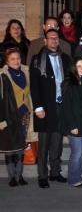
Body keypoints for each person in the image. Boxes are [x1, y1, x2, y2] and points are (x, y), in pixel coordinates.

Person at [29, 29, 71, 189]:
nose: (54, 40)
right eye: (50, 38)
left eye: (56, 38)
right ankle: (42, 175)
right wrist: (38, 107)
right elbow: (34, 86)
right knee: (44, 143)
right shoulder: (37, 59)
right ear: (45, 40)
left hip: (60, 106)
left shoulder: (66, 58)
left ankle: (55, 172)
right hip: (45, 107)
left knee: (57, 142)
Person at [0, 48, 36, 187]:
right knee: (10, 147)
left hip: (25, 115)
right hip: (9, 116)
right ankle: (11, 177)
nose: (16, 61)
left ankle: (19, 175)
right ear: (7, 61)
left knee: (21, 147)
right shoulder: (2, 75)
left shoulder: (26, 72)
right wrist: (1, 120)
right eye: (13, 59)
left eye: (18, 58)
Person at [59, 57, 82, 187]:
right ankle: (73, 179)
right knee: (76, 153)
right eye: (79, 66)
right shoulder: (68, 84)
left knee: (81, 153)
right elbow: (66, 107)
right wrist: (72, 126)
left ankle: (77, 176)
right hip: (74, 124)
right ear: (73, 68)